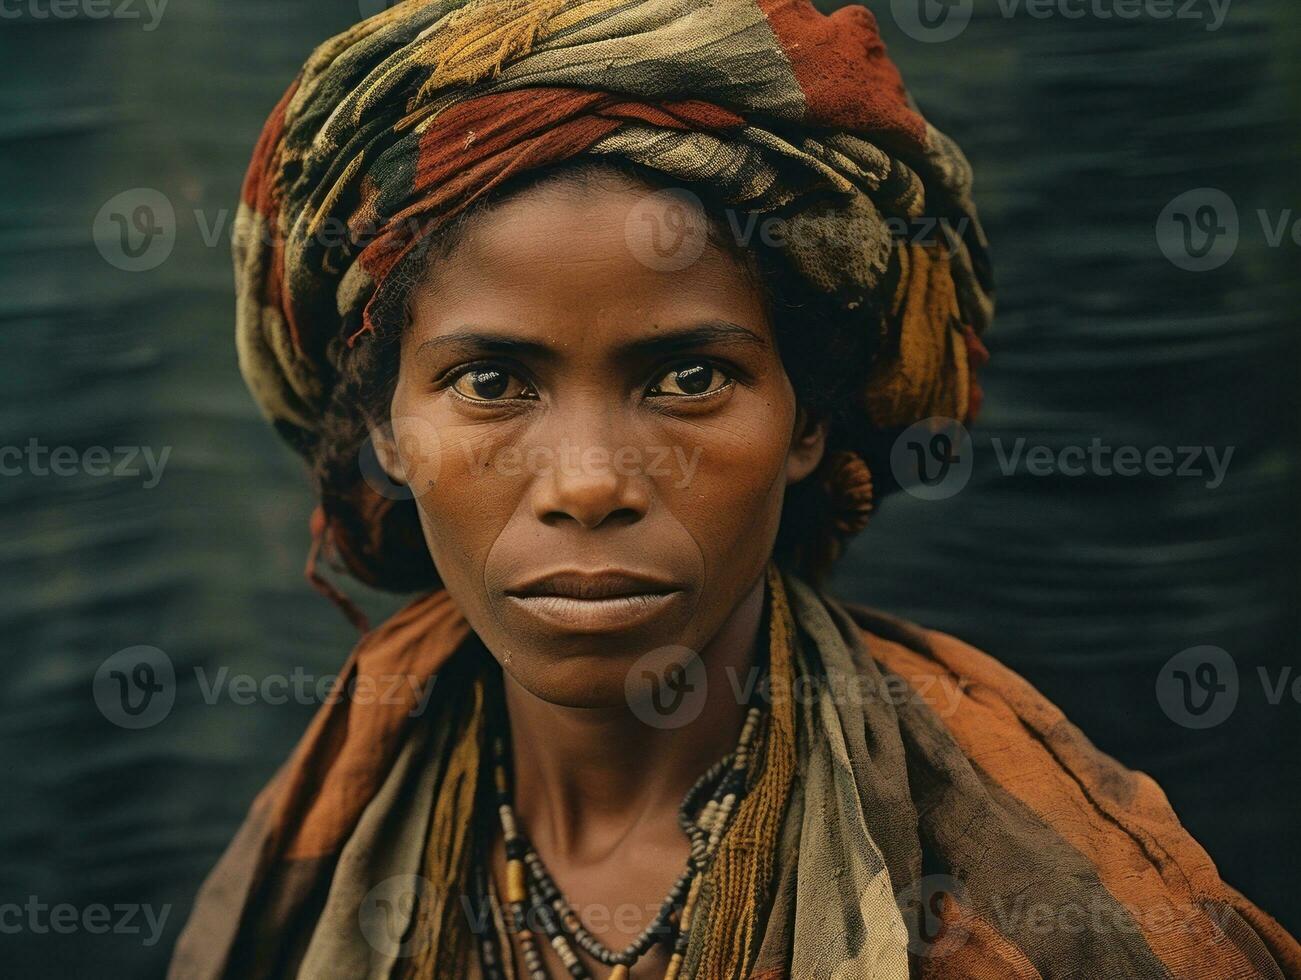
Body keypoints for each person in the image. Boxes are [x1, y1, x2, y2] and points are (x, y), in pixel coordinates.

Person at [168, 1, 1300, 977]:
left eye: (689, 376)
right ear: (387, 431)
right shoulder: (316, 847)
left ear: (806, 419)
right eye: (491, 380)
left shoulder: (1029, 893)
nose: (589, 481)